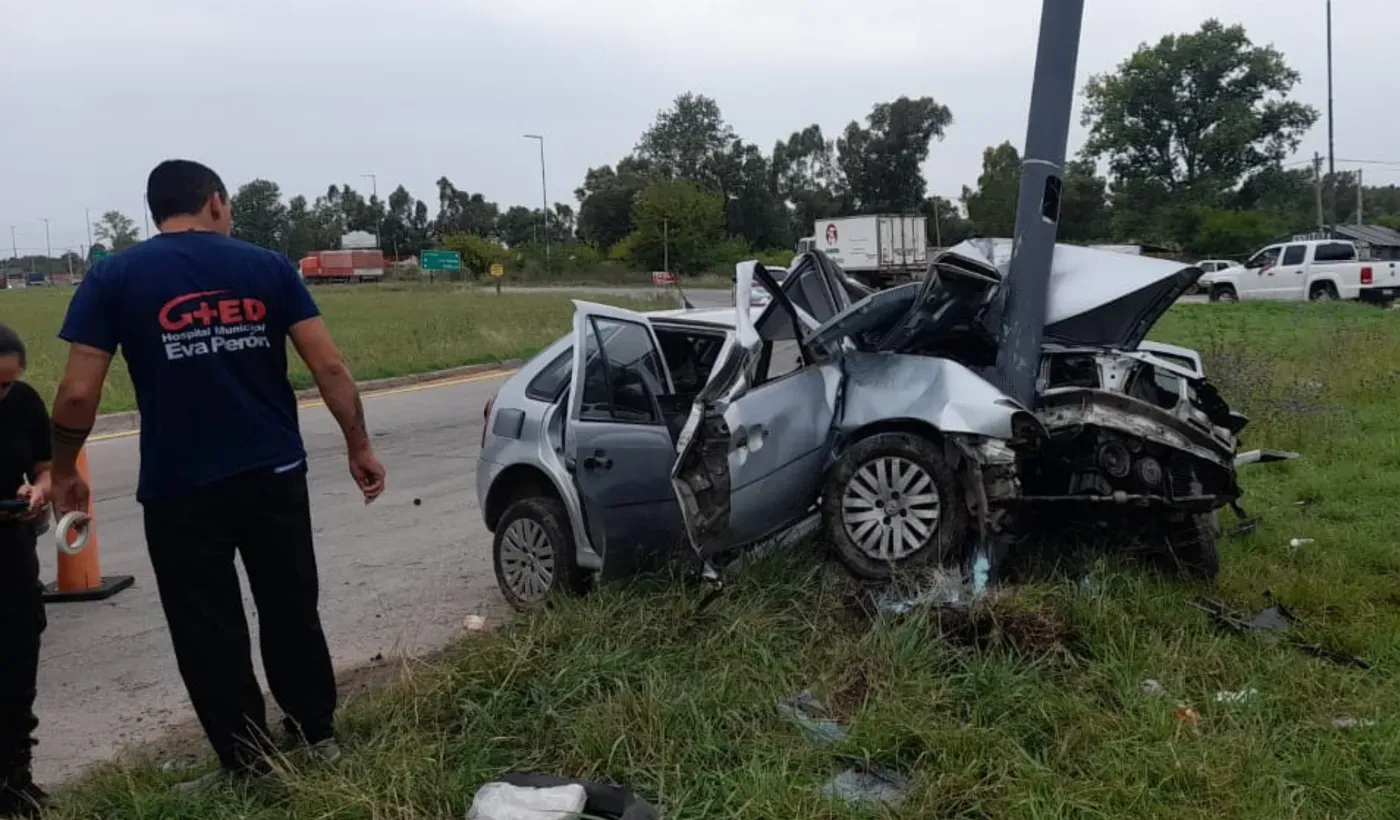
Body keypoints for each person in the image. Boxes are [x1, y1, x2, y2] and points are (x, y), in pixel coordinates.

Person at [48, 159, 387, 794]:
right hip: (273, 472)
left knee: (208, 626)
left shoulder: (114, 276)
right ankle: (319, 737)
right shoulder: (267, 267)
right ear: (215, 202)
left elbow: (74, 395)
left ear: (156, 210)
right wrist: (358, 445)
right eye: (226, 207)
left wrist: (64, 469)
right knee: (290, 605)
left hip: (182, 486)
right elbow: (330, 367)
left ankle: (248, 766)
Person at [0, 325, 51, 818]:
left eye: (7, 383)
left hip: (12, 550)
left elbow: (45, 467)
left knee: (17, 668)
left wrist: (38, 490)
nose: (2, 393)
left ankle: (17, 781)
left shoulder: (25, 402)